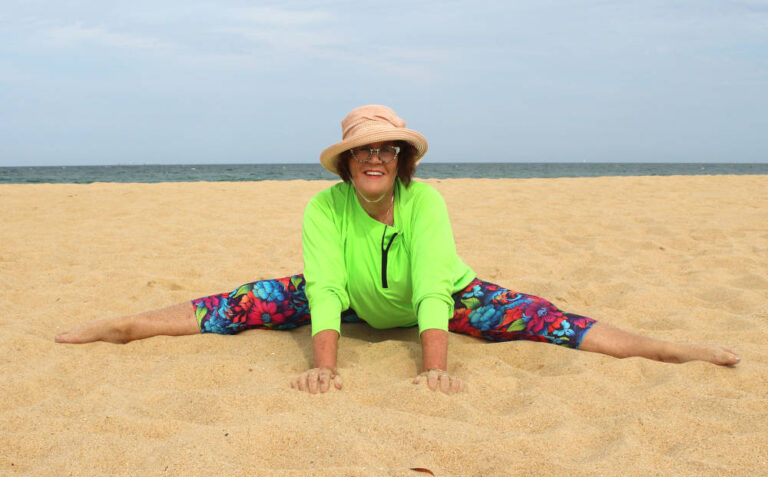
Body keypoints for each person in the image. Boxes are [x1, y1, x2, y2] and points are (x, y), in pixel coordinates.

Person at [55, 105, 740, 394]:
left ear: (400, 159)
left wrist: (432, 369)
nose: (376, 158)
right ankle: (128, 326)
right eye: (364, 150)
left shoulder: (427, 203)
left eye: (387, 148)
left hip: (439, 295)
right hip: (349, 296)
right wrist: (324, 367)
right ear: (348, 162)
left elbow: (435, 289)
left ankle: (664, 346)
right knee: (241, 304)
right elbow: (322, 289)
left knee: (549, 319)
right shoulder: (323, 209)